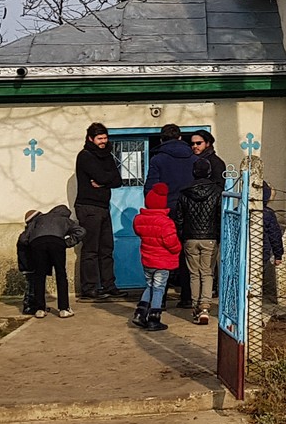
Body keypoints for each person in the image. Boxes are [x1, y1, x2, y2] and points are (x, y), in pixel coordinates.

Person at [173, 130, 226, 309]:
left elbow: (180, 215)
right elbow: (219, 209)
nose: (194, 146)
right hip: (209, 234)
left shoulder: (215, 165)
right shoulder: (213, 189)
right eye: (193, 143)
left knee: (195, 273)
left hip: (193, 234)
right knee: (206, 272)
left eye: (199, 143)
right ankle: (204, 304)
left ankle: (196, 304)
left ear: (208, 143)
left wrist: (182, 233)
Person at [73, 122, 122, 300]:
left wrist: (103, 181)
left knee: (107, 247)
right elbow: (106, 177)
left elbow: (118, 180)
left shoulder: (107, 156)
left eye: (105, 138)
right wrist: (105, 179)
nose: (103, 141)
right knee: (91, 249)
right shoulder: (85, 156)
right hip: (88, 207)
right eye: (99, 138)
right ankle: (89, 287)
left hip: (103, 206)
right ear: (90, 139)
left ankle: (109, 285)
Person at [16, 205, 84, 319]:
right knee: (61, 274)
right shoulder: (65, 220)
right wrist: (67, 242)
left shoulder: (39, 219)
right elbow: (81, 231)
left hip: (37, 244)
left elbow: (23, 238)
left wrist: (32, 244)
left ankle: (40, 309)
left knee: (39, 276)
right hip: (56, 243)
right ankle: (64, 309)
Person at [131, 183, 182, 331]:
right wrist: (178, 249)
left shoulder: (139, 220)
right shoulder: (166, 223)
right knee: (159, 288)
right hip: (162, 261)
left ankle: (140, 313)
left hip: (147, 259)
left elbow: (139, 233)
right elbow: (171, 243)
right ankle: (154, 318)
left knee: (150, 285)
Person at [146, 123, 195, 205]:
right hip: (190, 206)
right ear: (180, 138)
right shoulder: (195, 159)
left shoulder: (157, 160)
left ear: (161, 140)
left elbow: (151, 187)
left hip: (167, 206)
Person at [260, 181, 283, 305]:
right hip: (262, 252)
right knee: (257, 281)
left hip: (241, 253)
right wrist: (278, 254)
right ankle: (253, 308)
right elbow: (275, 235)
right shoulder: (268, 214)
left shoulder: (239, 211)